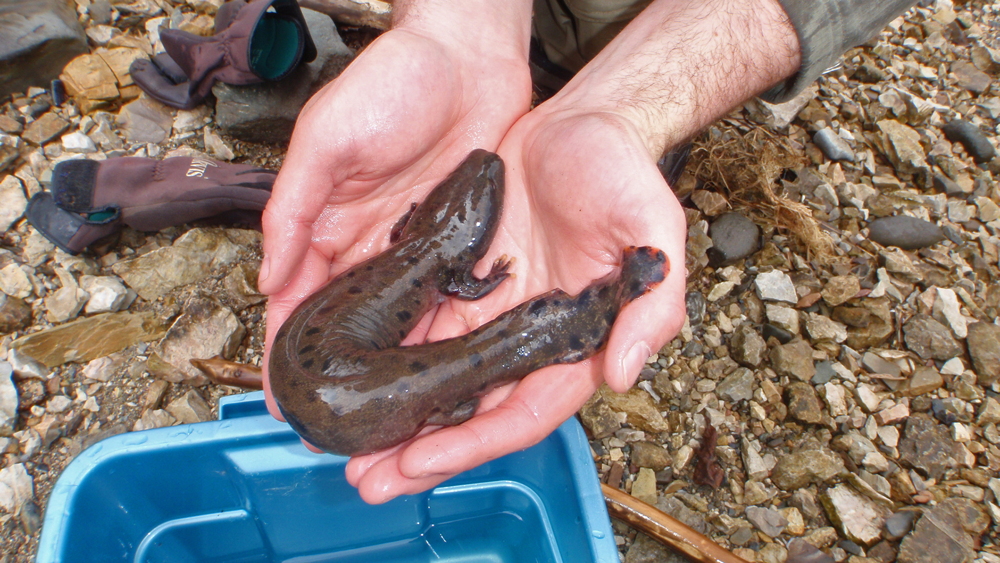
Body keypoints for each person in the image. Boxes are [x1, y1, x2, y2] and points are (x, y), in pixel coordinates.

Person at [257, 0, 918, 504]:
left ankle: (588, 79)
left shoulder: (425, 251)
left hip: (341, 378)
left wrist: (628, 103)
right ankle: (561, 71)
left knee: (464, 375)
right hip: (338, 384)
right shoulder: (442, 264)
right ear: (453, 260)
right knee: (465, 373)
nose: (484, 168)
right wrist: (454, 30)